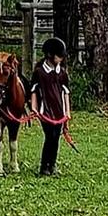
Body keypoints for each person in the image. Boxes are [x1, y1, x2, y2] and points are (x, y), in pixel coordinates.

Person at [31, 37, 71, 177]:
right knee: (49, 137)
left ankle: (52, 164)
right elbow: (34, 91)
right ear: (50, 55)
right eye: (59, 56)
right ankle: (44, 167)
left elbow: (66, 92)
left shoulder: (63, 73)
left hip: (59, 112)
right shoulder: (39, 72)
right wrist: (34, 108)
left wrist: (67, 112)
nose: (61, 58)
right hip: (45, 110)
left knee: (56, 138)